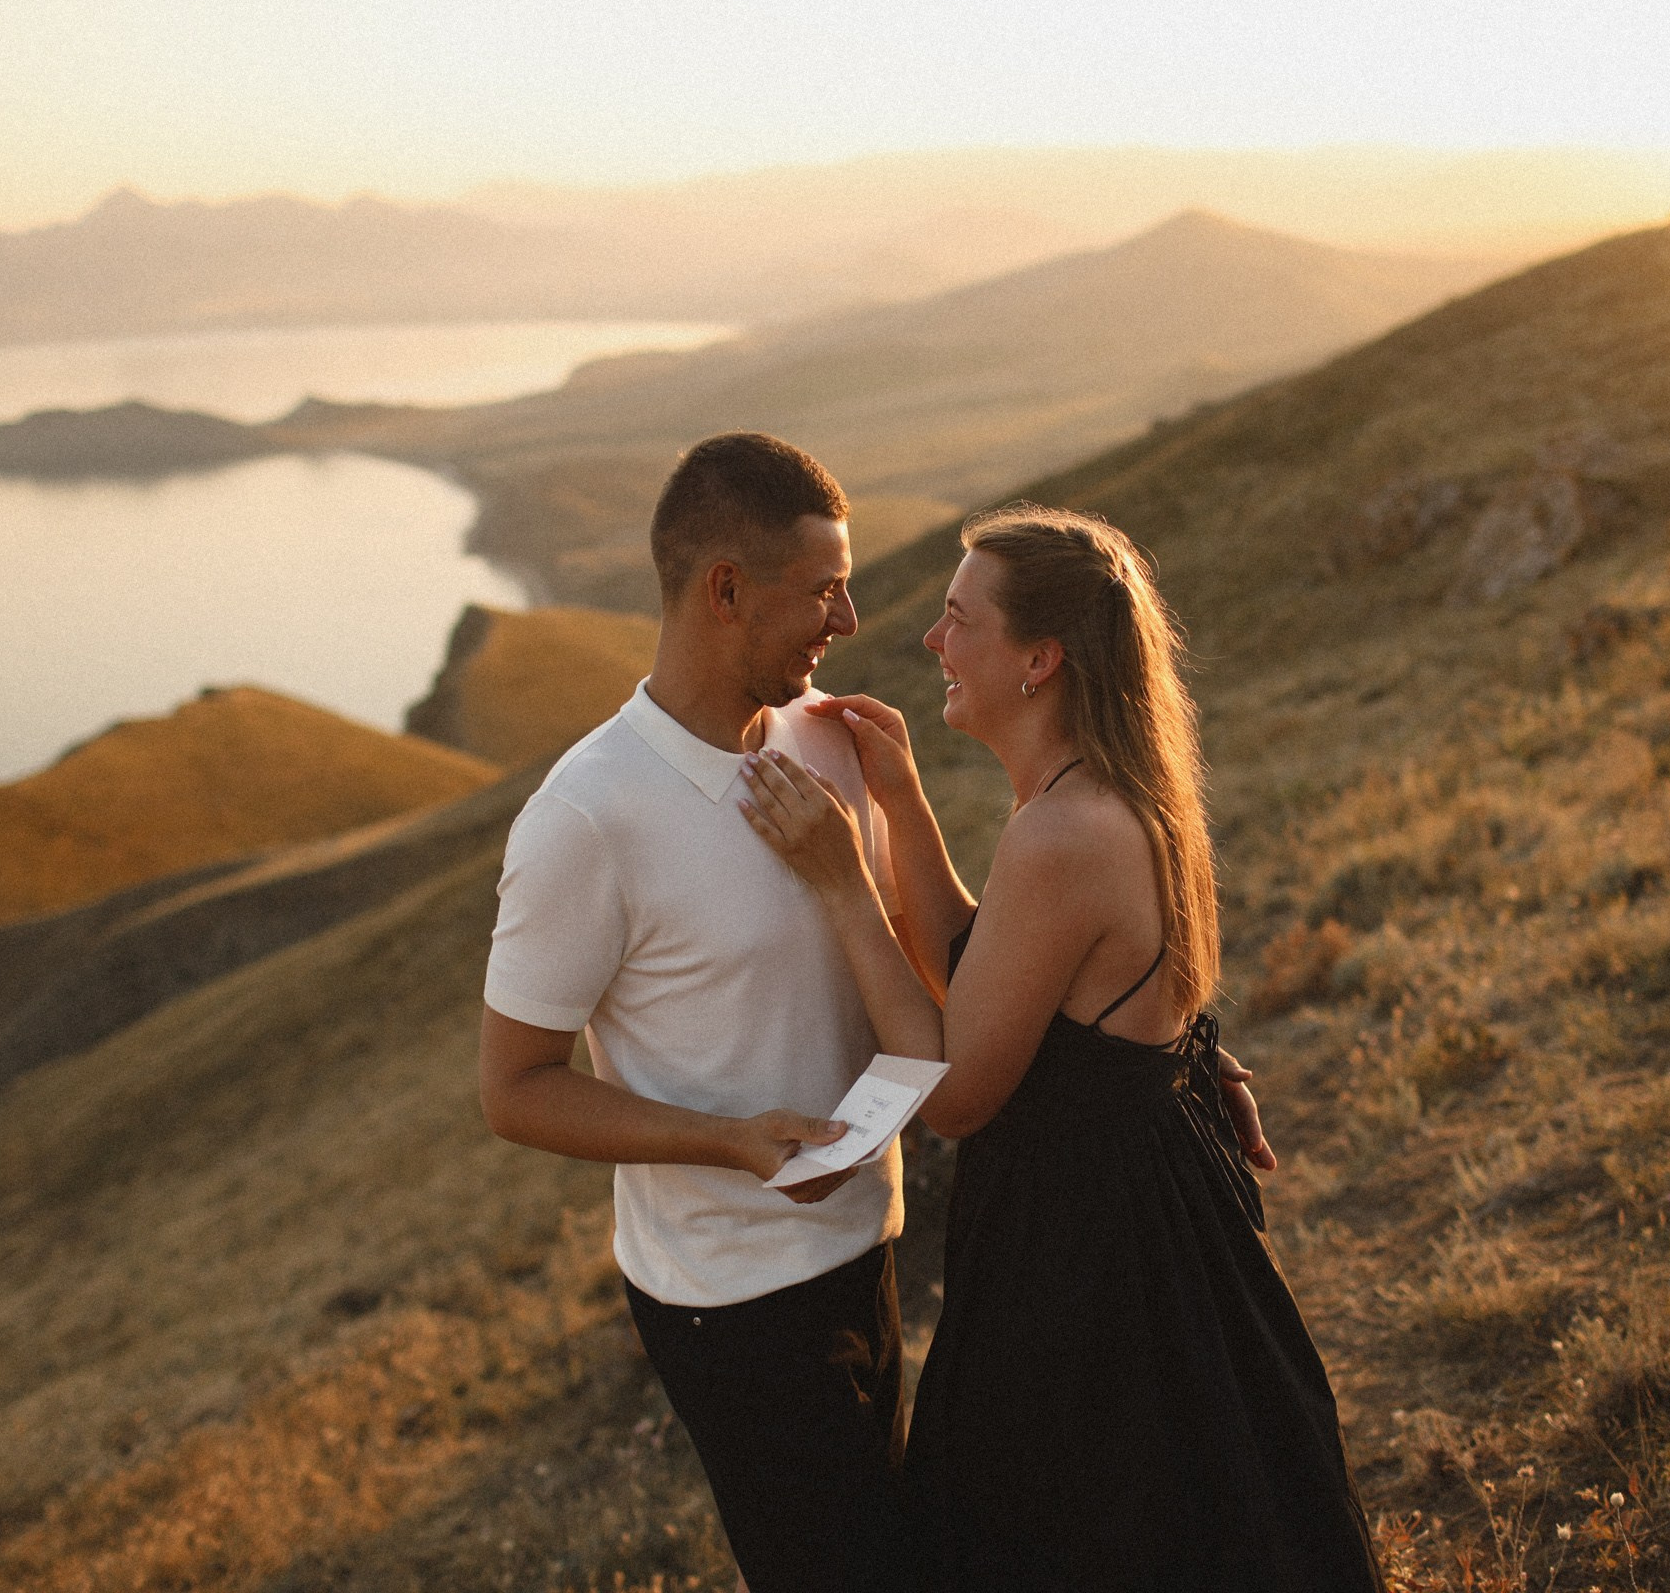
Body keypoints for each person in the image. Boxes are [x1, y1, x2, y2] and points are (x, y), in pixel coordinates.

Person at [736, 503, 1387, 1591]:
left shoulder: (1064, 833)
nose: (934, 642)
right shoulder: (1093, 794)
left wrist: (842, 878)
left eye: (958, 621)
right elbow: (991, 969)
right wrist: (900, 801)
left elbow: (958, 1096)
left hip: (1092, 1261)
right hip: (1133, 1216)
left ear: (1039, 659)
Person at [477, 432, 919, 1593]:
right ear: (726, 589)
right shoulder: (585, 818)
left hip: (868, 1239)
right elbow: (514, 1088)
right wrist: (725, 1141)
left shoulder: (833, 740)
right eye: (824, 588)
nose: (851, 617)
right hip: (729, 1298)